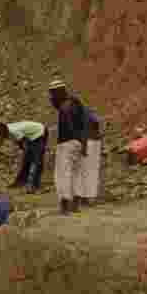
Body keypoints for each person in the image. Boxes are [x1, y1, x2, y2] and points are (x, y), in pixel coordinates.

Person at [48, 80, 88, 215]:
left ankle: (65, 206)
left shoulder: (64, 106)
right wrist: (84, 143)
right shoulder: (76, 103)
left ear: (59, 92)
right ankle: (75, 205)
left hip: (66, 143)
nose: (51, 96)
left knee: (62, 174)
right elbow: (84, 123)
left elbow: (69, 123)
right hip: (78, 143)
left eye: (53, 93)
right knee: (76, 173)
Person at [0, 121, 48, 193]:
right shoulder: (8, 129)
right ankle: (21, 182)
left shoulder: (13, 131)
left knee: (37, 160)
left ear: (4, 130)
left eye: (2, 134)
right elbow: (20, 142)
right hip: (31, 136)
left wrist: (25, 151)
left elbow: (22, 143)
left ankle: (34, 185)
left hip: (40, 132)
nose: (3, 136)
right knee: (27, 160)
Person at [76, 108, 102, 206]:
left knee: (85, 171)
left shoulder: (83, 115)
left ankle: (85, 197)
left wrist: (84, 147)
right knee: (91, 171)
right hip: (94, 143)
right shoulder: (90, 114)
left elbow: (84, 131)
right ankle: (88, 197)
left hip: (89, 143)